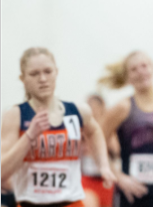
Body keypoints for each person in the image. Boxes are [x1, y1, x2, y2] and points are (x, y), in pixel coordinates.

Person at [1, 47, 116, 207]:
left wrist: (103, 165)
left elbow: (95, 131)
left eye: (48, 71)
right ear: (23, 78)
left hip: (71, 202)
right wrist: (29, 136)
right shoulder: (15, 115)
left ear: (56, 72)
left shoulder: (78, 111)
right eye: (34, 74)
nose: (42, 78)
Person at [99, 51, 153, 207]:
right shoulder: (123, 108)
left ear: (152, 69)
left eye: (144, 66)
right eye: (134, 69)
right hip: (132, 194)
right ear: (127, 77)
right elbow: (97, 141)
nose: (140, 71)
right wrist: (119, 177)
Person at [81, 94, 120, 207]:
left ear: (102, 108)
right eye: (89, 107)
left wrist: (102, 144)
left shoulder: (111, 131)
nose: (92, 111)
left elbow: (116, 151)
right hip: (87, 178)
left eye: (94, 107)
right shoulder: (82, 130)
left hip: (105, 180)